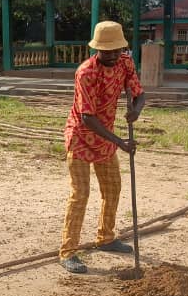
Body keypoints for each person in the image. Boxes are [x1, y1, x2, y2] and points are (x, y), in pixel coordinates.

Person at [59, 21, 146, 274]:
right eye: (105, 51)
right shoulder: (86, 72)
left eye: (115, 51)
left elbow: (140, 94)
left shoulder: (126, 63)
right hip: (81, 137)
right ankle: (68, 252)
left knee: (113, 189)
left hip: (105, 139)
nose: (111, 56)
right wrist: (120, 142)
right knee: (80, 194)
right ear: (96, 49)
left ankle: (105, 238)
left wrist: (136, 111)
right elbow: (87, 117)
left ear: (122, 49)